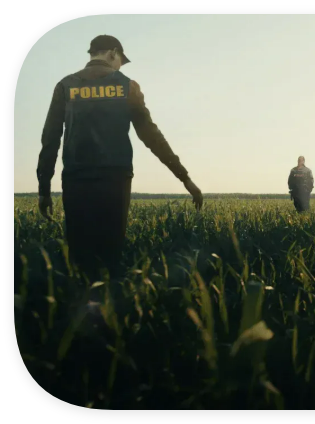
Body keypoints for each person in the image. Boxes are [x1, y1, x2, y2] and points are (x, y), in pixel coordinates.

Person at [36, 35, 203, 279]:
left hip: (76, 179)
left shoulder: (65, 86)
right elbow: (152, 136)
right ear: (113, 53)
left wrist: (44, 190)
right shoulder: (127, 86)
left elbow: (50, 139)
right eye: (120, 62)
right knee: (110, 255)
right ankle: (110, 298)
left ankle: (80, 298)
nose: (119, 68)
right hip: (115, 180)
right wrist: (184, 177)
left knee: (79, 256)